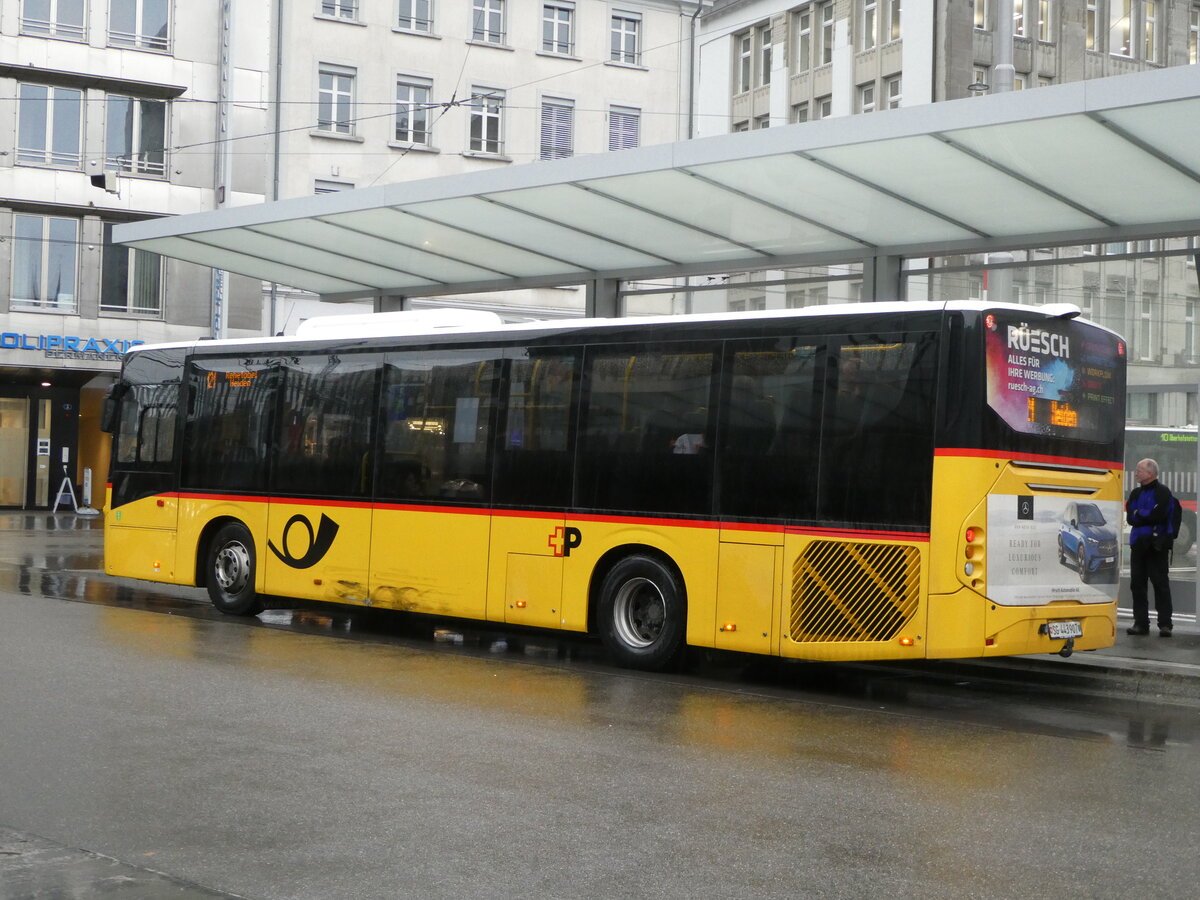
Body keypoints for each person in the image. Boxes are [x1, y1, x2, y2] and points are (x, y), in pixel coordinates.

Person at [1125, 457, 1175, 637]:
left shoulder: (1163, 492)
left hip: (1156, 545)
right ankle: (1140, 623)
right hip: (1138, 544)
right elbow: (1130, 517)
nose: (1135, 472)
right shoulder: (1135, 493)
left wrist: (1140, 514)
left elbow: (1159, 515)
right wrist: (1143, 514)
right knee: (1137, 584)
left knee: (1160, 584)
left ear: (1150, 473)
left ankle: (1165, 624)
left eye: (1139, 470)